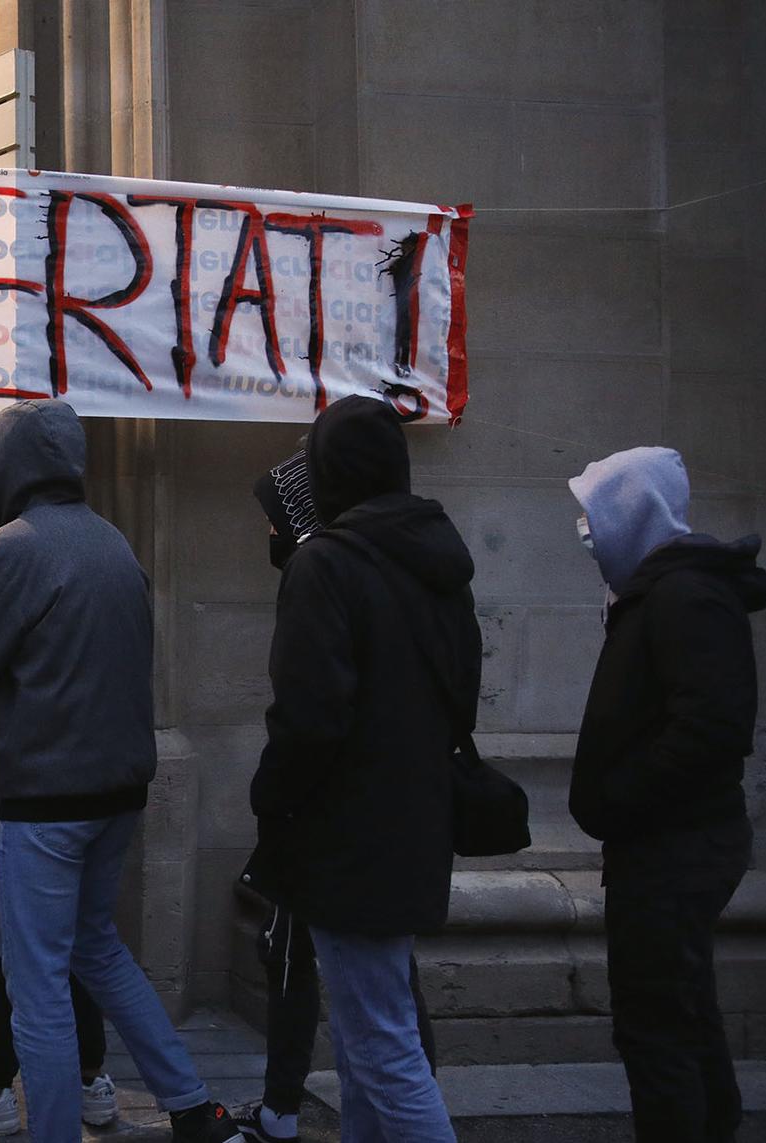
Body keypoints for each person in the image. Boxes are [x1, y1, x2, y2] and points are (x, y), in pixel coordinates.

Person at [0, 400, 240, 1143]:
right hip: (116, 789)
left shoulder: (8, 549)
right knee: (97, 948)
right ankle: (189, 1102)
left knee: (39, 985)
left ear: (6, 468)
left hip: (44, 795)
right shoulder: (116, 544)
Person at [245, 396, 476, 1143]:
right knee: (365, 1045)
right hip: (414, 826)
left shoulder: (328, 565)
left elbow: (307, 718)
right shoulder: (437, 562)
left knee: (381, 1050)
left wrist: (271, 800)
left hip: (348, 840)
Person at [567, 446, 766, 1143]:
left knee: (656, 1027)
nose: (585, 530)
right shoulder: (660, 591)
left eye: (594, 514)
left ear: (632, 513)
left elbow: (711, 726)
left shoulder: (686, 595)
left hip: (674, 845)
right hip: (666, 843)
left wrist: (620, 797)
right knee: (680, 1011)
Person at [0, 468, 116, 1137]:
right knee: (74, 941)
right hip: (74, 783)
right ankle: (91, 1074)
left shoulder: (3, 575)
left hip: (6, 791)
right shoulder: (74, 563)